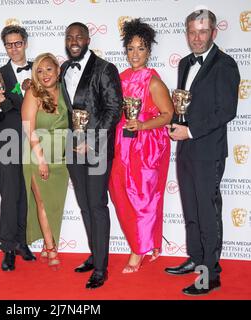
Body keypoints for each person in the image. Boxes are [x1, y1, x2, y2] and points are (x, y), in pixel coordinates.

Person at [165, 10, 240, 296]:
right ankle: (196, 258)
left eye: (202, 32)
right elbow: (186, 106)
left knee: (208, 212)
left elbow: (226, 111)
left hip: (208, 150)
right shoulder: (185, 63)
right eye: (192, 32)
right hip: (185, 149)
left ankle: (211, 274)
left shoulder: (225, 65)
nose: (196, 38)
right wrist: (176, 122)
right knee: (191, 209)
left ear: (213, 33)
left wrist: (191, 130)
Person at [108, 19, 173, 273]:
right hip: (121, 147)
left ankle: (138, 251)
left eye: (141, 49)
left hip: (146, 149)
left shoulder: (153, 82)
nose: (135, 54)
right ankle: (146, 242)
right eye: (131, 49)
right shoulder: (120, 78)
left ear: (149, 52)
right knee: (121, 195)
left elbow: (168, 114)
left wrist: (143, 125)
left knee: (143, 199)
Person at [61, 22, 123, 289]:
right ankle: (95, 253)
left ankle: (101, 268)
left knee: (97, 205)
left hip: (96, 149)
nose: (74, 41)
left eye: (79, 36)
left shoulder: (105, 69)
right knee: (85, 204)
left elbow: (114, 108)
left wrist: (93, 140)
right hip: (72, 149)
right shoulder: (63, 68)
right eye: (70, 37)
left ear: (87, 39)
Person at [0, 25, 36, 272]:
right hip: (8, 139)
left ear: (25, 43)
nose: (14, 48)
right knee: (10, 194)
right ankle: (7, 247)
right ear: (5, 46)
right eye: (9, 44)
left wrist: (12, 103)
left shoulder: (40, 71)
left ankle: (22, 242)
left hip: (35, 141)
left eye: (18, 43)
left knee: (27, 194)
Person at [21, 53, 69, 271]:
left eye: (48, 69)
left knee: (55, 205)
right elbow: (28, 130)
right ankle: (51, 248)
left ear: (57, 70)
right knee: (43, 203)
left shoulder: (65, 91)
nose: (45, 75)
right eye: (39, 71)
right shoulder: (33, 94)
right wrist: (40, 160)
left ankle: (48, 243)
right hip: (36, 155)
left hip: (62, 157)